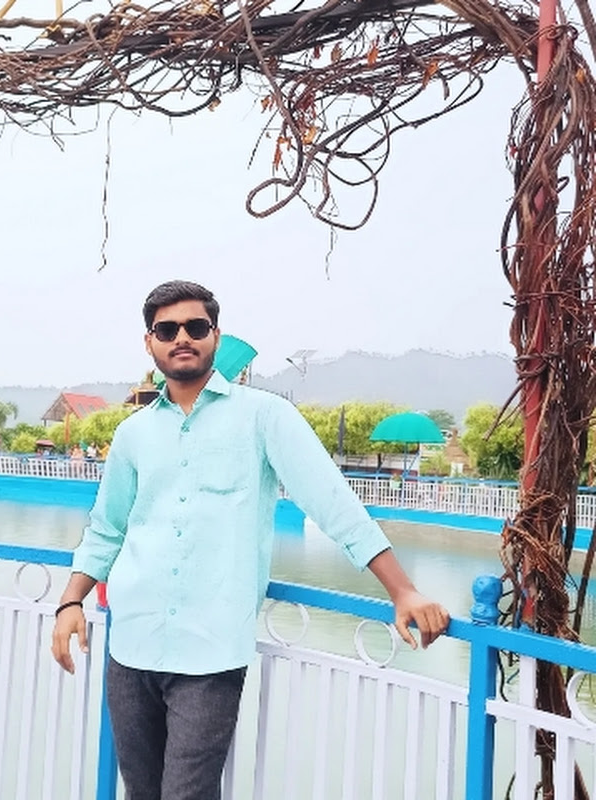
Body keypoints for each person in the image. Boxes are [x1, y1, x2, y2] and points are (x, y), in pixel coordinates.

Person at [51, 280, 449, 800]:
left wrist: (402, 590)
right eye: (167, 330)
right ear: (149, 343)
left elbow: (333, 503)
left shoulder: (264, 417)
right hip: (131, 647)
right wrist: (71, 601)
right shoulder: (133, 434)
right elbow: (107, 528)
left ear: (215, 336)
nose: (182, 338)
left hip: (211, 654)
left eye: (196, 326)